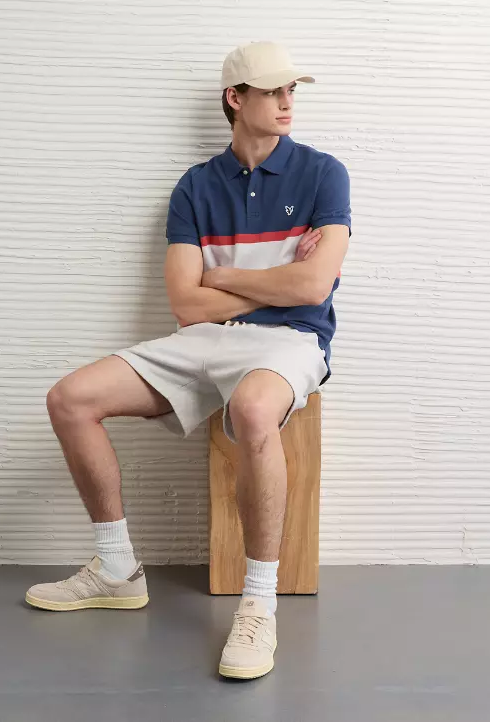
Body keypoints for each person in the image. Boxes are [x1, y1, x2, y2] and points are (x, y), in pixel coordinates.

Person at [25, 40, 351, 681]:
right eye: (272, 90)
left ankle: (259, 602)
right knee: (70, 400)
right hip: (204, 340)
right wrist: (275, 278)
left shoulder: (323, 173)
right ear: (235, 98)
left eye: (291, 90)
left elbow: (313, 288)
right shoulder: (195, 187)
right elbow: (184, 303)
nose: (287, 102)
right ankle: (116, 567)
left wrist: (221, 277)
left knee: (253, 409)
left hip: (291, 340)